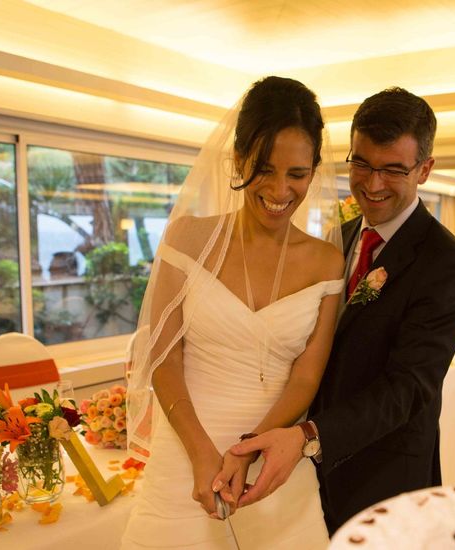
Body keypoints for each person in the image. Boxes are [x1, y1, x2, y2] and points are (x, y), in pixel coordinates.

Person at [230, 87, 455, 534]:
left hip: (382, 473)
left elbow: (409, 387)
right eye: (361, 163)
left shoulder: (446, 262)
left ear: (425, 170)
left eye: (393, 170)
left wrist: (309, 437)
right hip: (305, 473)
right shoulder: (337, 240)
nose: (372, 183)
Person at [121, 76, 344, 549]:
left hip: (271, 458)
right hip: (185, 451)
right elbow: (163, 357)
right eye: (263, 168)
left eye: (297, 174)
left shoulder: (327, 262)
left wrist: (249, 450)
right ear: (239, 157)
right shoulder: (186, 239)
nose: (280, 189)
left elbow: (306, 378)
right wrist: (203, 452)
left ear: (314, 171)